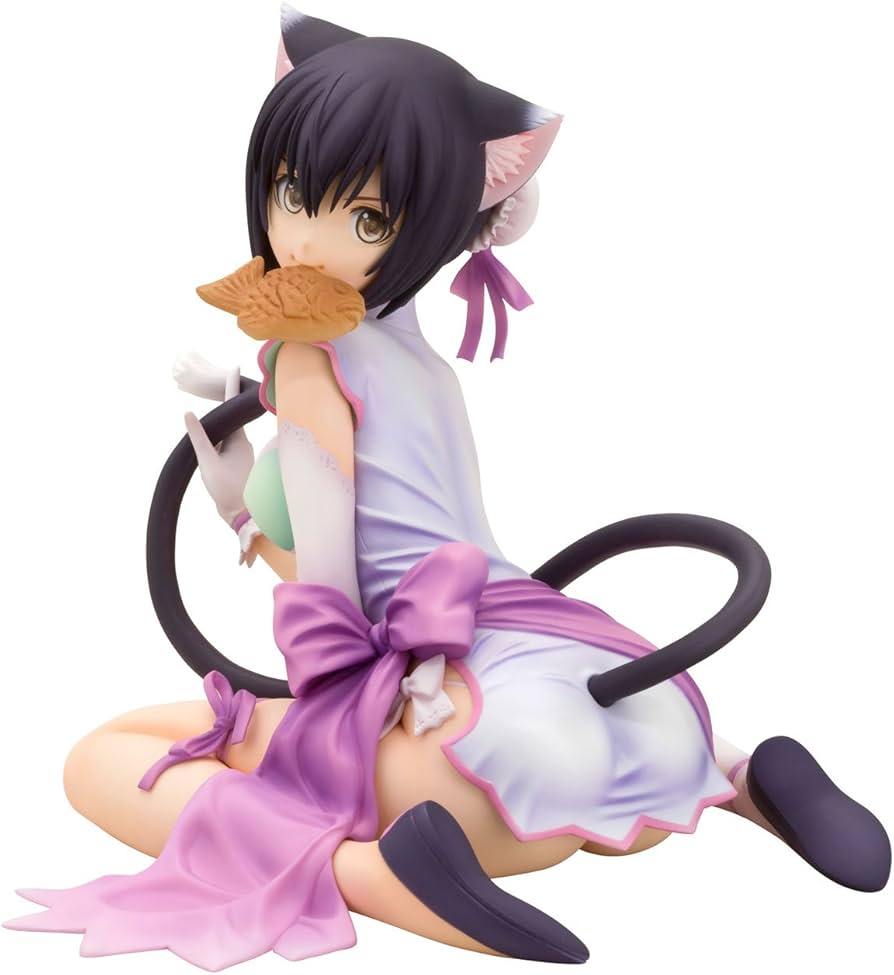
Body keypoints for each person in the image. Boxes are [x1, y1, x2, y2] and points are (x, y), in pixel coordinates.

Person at [5, 8, 889, 970]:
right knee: (641, 734)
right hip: (585, 663)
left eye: (366, 218)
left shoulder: (310, 358)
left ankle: (375, 873)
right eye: (293, 193)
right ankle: (746, 777)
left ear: (431, 223)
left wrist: (235, 508)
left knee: (104, 756)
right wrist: (239, 396)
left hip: (465, 747)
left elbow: (334, 596)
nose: (304, 240)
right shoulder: (421, 363)